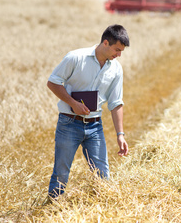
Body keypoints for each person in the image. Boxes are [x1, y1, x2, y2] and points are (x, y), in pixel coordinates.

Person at [46, 24, 130, 199]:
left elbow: (115, 103)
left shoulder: (116, 69)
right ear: (105, 43)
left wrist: (120, 134)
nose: (119, 55)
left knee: (102, 174)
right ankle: (52, 208)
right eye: (117, 49)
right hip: (68, 123)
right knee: (61, 172)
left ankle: (102, 208)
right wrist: (72, 103)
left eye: (121, 51)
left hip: (95, 126)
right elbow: (52, 82)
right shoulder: (75, 57)